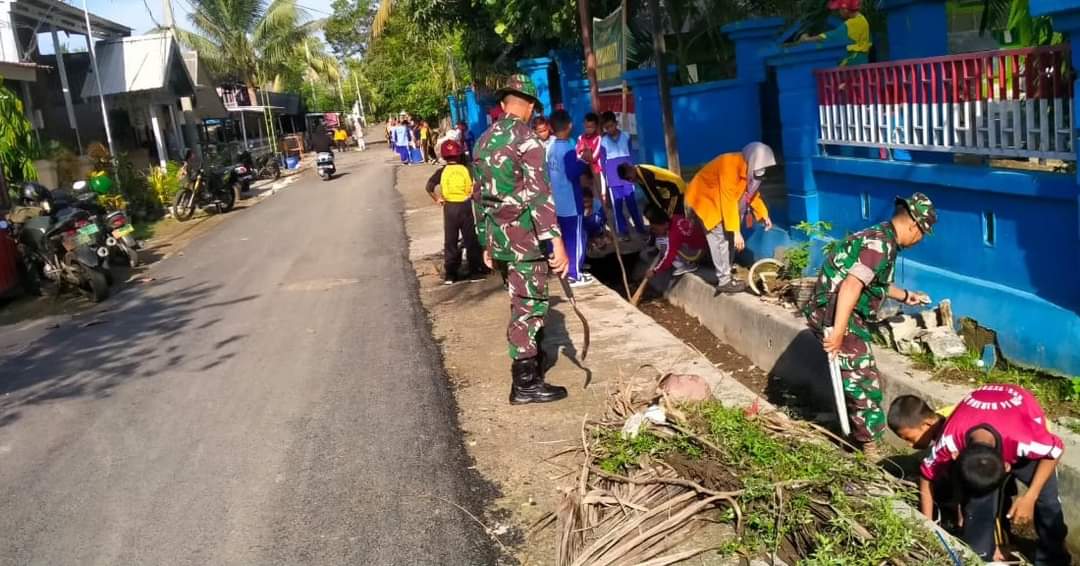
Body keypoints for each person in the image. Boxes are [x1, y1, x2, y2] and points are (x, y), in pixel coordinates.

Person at [803, 193, 937, 456]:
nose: (920, 240)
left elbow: (876, 283)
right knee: (863, 381)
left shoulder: (882, 238)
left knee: (857, 375)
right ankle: (870, 448)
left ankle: (858, 434)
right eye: (922, 233)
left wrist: (907, 296)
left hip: (837, 311)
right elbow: (852, 285)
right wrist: (838, 332)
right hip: (835, 314)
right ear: (914, 225)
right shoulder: (880, 245)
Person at [473, 74, 570, 405]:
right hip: (525, 243)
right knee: (528, 308)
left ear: (504, 104)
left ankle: (534, 365)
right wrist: (556, 242)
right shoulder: (527, 140)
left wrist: (485, 242)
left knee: (519, 302)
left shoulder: (483, 140)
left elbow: (479, 197)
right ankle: (525, 384)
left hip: (499, 242)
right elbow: (539, 196)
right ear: (529, 106)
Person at [888, 388, 1070, 565]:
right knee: (978, 508)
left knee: (1047, 502)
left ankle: (1054, 558)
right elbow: (926, 477)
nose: (909, 445)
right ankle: (988, 551)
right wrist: (929, 525)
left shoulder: (1027, 441)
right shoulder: (949, 442)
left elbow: (1055, 452)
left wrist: (1031, 496)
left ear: (1006, 466)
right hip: (985, 429)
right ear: (957, 455)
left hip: (1025, 428)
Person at [684, 142, 777, 294]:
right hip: (706, 199)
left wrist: (763, 215)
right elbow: (728, 200)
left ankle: (725, 274)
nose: (761, 171)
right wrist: (736, 231)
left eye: (764, 168)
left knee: (730, 239)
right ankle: (724, 281)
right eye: (760, 167)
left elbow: (751, 194)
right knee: (720, 239)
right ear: (751, 159)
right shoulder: (728, 165)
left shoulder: (750, 169)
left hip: (723, 201)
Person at [425, 139, 485, 285]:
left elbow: (429, 187)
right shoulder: (466, 169)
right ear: (459, 155)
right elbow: (476, 185)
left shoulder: (442, 171)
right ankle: (475, 272)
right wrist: (472, 195)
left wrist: (437, 199)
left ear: (444, 157)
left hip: (449, 208)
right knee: (470, 239)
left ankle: (450, 274)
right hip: (465, 207)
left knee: (450, 241)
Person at [546, 109, 592, 287]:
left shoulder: (551, 148)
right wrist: (585, 160)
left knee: (563, 237)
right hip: (571, 202)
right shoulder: (567, 149)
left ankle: (564, 270)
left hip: (557, 202)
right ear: (570, 125)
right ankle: (574, 274)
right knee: (575, 238)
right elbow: (573, 173)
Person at [599, 111, 645, 239]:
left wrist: (634, 174)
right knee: (617, 206)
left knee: (632, 203)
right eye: (606, 127)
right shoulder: (603, 141)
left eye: (611, 126)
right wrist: (606, 180)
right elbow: (602, 161)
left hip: (627, 176)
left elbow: (631, 155)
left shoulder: (626, 136)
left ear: (616, 123)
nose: (609, 129)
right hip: (613, 178)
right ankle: (623, 232)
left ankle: (640, 228)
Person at [643, 205, 706, 279]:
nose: (655, 231)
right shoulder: (675, 217)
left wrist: (654, 271)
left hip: (696, 253)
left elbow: (669, 257)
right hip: (702, 244)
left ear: (664, 224)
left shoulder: (674, 235)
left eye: (655, 229)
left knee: (662, 243)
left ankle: (685, 266)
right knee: (665, 241)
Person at [803, 0, 872, 66]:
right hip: (861, 61)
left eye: (839, 9)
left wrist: (807, 39)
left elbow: (830, 37)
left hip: (852, 62)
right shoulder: (862, 19)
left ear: (845, 9)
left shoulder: (851, 24)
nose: (839, 12)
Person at [617, 162, 685, 220]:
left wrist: (661, 210)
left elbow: (653, 194)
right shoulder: (637, 172)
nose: (630, 180)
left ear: (631, 170)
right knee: (671, 213)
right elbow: (648, 193)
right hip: (668, 189)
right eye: (627, 179)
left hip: (676, 187)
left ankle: (680, 228)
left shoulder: (644, 174)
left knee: (670, 215)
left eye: (629, 178)